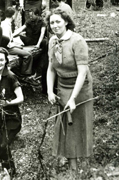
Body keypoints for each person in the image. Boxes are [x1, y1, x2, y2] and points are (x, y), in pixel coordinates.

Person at [46, 9, 94, 172]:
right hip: (62, 86)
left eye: (58, 21)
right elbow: (51, 69)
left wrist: (73, 98)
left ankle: (85, 162)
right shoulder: (52, 41)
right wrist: (50, 91)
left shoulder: (77, 41)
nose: (55, 25)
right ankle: (72, 165)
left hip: (80, 87)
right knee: (67, 124)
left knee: (81, 123)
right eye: (52, 22)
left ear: (66, 21)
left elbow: (82, 72)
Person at [0, 47, 24, 176]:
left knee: (3, 145)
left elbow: (21, 98)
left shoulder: (11, 76)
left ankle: (10, 173)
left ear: (6, 60)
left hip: (12, 118)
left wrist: (7, 103)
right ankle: (8, 172)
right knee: (1, 147)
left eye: (1, 60)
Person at [1, 7, 34, 77]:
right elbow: (6, 40)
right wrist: (14, 45)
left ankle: (20, 70)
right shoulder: (6, 25)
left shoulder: (4, 23)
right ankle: (26, 74)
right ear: (13, 15)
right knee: (28, 55)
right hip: (6, 48)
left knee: (21, 48)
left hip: (7, 46)